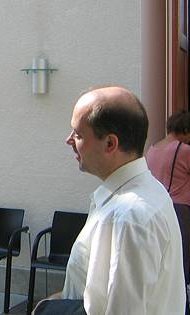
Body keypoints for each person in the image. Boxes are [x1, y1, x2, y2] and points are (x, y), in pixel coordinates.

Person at [34, 86, 186, 314]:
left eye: (78, 134)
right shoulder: (145, 192)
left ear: (110, 144)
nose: (69, 140)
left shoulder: (128, 217)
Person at [146, 111, 190, 314]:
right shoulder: (183, 150)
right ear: (186, 130)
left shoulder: (152, 150)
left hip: (157, 208)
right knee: (183, 263)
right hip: (181, 210)